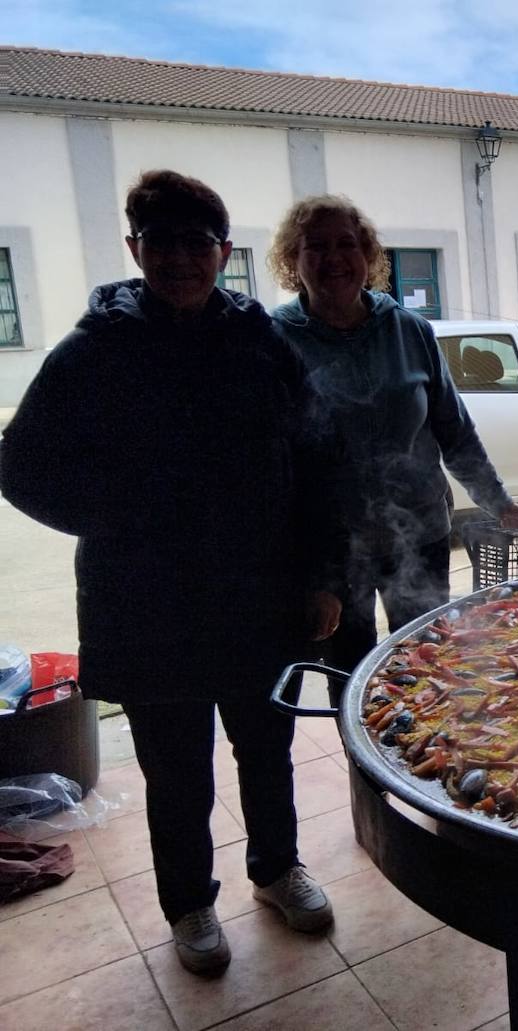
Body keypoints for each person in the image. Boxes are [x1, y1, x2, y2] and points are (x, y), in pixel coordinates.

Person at [0, 170, 342, 975]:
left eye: (199, 244)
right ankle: (190, 903)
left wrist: (324, 572)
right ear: (135, 250)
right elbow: (19, 466)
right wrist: (119, 515)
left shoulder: (261, 340)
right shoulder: (95, 351)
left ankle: (276, 869)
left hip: (259, 591)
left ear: (224, 252)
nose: (182, 260)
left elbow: (318, 456)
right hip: (149, 600)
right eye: (164, 243)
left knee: (267, 745)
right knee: (176, 764)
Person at [266, 195, 518, 671]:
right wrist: (312, 573)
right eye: (316, 246)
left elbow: (455, 430)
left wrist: (499, 501)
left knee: (427, 662)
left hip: (421, 530)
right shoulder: (276, 340)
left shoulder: (410, 331)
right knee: (348, 672)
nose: (333, 259)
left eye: (347, 244)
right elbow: (275, 465)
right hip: (332, 548)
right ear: (293, 259)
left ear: (368, 256)